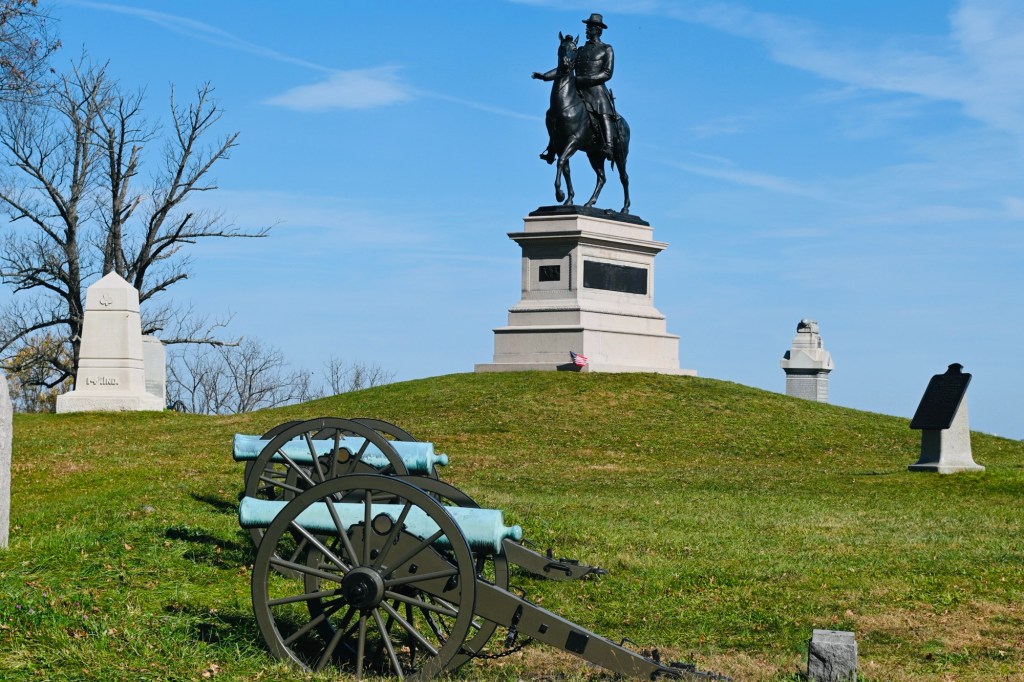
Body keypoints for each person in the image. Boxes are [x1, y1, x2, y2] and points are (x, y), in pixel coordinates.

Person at [533, 13, 617, 163]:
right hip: (577, 89)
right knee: (555, 113)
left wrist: (584, 79)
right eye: (587, 27)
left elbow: (607, 73)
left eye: (590, 27)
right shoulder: (580, 50)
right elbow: (565, 68)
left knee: (604, 113)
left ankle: (609, 146)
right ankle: (552, 147)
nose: (587, 30)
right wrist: (545, 76)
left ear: (598, 29)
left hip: (596, 91)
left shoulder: (606, 49)